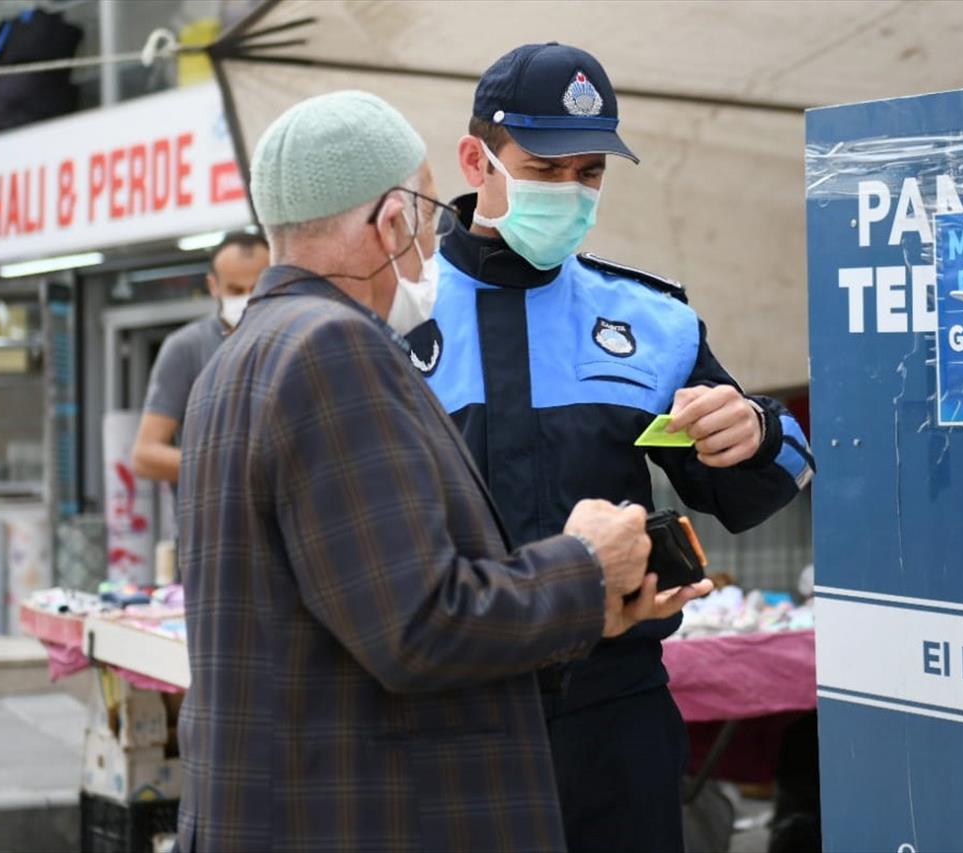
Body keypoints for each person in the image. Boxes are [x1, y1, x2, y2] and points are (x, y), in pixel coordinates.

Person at [175, 90, 711, 852]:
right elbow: (420, 626)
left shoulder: (237, 361)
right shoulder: (336, 350)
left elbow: (357, 601)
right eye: (429, 216)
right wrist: (584, 566)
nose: (434, 242)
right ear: (392, 220)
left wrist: (591, 611)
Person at [404, 42, 816, 853]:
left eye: (589, 173)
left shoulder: (652, 321)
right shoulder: (395, 312)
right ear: (474, 158)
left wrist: (757, 429)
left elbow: (763, 478)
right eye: (546, 168)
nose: (571, 192)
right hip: (449, 707)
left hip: (614, 710)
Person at [131, 231, 268, 483]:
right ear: (213, 285)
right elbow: (145, 455)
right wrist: (230, 470)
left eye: (257, 288)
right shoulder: (187, 348)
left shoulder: (292, 341)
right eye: (236, 290)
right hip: (214, 518)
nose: (248, 298)